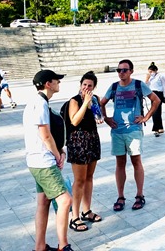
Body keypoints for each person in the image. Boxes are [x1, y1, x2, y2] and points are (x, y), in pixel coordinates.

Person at [99, 59, 160, 212]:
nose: (121, 73)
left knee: (136, 161)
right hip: (117, 130)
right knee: (120, 163)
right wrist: (106, 119)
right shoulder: (114, 87)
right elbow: (101, 103)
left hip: (133, 130)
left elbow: (156, 100)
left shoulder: (139, 85)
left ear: (131, 71)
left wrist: (146, 118)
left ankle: (139, 195)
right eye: (119, 70)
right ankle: (121, 196)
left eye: (124, 70)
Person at [23, 69, 73, 251]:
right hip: (43, 162)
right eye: (56, 80)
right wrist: (58, 156)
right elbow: (45, 135)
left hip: (35, 161)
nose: (59, 83)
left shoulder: (35, 102)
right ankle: (63, 245)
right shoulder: (40, 104)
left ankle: (40, 247)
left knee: (43, 202)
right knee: (65, 201)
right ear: (48, 84)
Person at [65, 71, 103, 233]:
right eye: (84, 85)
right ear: (80, 85)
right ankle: (74, 216)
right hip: (78, 141)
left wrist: (95, 109)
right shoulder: (74, 101)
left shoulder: (95, 99)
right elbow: (74, 121)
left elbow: (98, 117)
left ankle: (86, 210)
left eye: (90, 85)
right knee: (79, 180)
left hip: (92, 138)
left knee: (89, 177)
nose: (86, 88)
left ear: (94, 87)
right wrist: (84, 103)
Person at [144, 62, 165, 137]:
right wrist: (147, 79)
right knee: (154, 111)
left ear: (155, 70)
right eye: (149, 72)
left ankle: (157, 128)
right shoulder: (149, 77)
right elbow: (145, 86)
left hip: (159, 94)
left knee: (157, 111)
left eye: (151, 71)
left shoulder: (160, 76)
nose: (150, 73)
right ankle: (158, 127)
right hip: (152, 94)